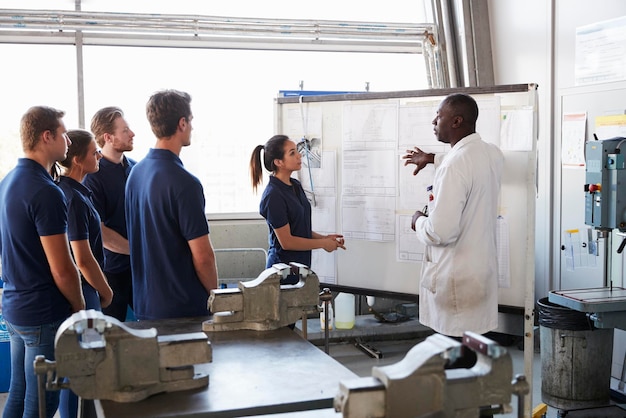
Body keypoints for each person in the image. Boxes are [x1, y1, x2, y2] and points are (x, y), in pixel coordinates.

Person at [0, 106, 85, 418]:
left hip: (16, 308)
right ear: (46, 137)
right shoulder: (46, 191)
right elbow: (63, 268)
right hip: (42, 314)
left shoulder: (8, 181)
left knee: (19, 393)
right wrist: (80, 309)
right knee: (41, 405)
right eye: (63, 134)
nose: (67, 141)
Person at [402, 93, 504, 339]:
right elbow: (463, 161)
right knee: (473, 354)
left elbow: (441, 232)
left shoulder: (454, 165)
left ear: (456, 121)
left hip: (457, 280)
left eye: (439, 116)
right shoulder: (491, 153)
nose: (434, 121)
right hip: (479, 276)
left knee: (457, 361)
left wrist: (418, 222)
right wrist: (431, 158)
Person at [125, 89, 218, 320]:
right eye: (191, 121)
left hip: (145, 306)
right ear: (182, 123)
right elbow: (203, 257)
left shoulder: (135, 173)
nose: (193, 128)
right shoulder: (184, 182)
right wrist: (216, 297)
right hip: (182, 311)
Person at [56, 129, 113, 418]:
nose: (99, 155)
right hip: (86, 290)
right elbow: (83, 258)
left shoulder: (74, 191)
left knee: (82, 366)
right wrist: (106, 291)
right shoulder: (73, 199)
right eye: (94, 152)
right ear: (77, 160)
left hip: (85, 290)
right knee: (83, 368)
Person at [249, 134, 345, 278]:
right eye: (292, 153)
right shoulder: (273, 195)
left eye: (297, 151)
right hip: (282, 271)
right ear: (278, 162)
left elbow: (299, 228)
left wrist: (325, 238)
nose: (299, 156)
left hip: (301, 268)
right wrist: (322, 244)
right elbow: (287, 241)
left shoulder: (295, 185)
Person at [83, 107, 136, 322]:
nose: (132, 134)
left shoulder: (136, 168)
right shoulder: (93, 177)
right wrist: (137, 250)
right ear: (108, 137)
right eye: (125, 130)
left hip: (139, 268)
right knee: (111, 335)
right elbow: (101, 232)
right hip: (112, 272)